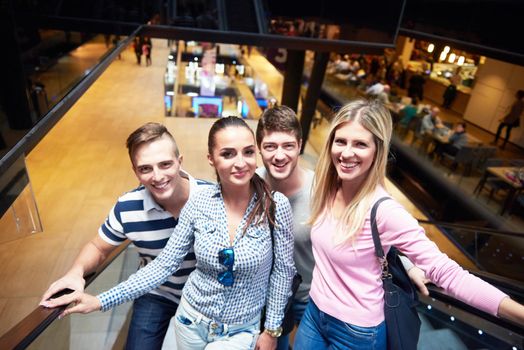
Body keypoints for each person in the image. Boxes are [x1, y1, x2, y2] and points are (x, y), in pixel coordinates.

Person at [42, 117, 296, 350]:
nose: (240, 162)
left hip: (239, 328)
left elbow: (283, 271)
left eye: (248, 152)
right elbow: (162, 264)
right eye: (228, 154)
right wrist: (97, 298)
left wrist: (272, 329)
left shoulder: (274, 205)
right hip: (184, 312)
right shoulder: (197, 203)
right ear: (211, 159)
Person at [293, 99, 524, 349]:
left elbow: (450, 274)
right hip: (314, 313)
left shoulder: (385, 210)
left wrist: (518, 312)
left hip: (356, 332)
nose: (346, 153)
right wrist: (408, 264)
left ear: (377, 151)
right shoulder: (326, 187)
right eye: (341, 141)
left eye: (360, 144)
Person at [255, 106, 430, 350]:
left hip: (313, 296)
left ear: (300, 145)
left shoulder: (323, 187)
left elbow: (371, 220)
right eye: (270, 146)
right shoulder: (251, 186)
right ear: (259, 148)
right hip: (269, 294)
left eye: (288, 146)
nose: (279, 155)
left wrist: (408, 264)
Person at [40, 122, 210, 349]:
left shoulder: (213, 198)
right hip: (156, 294)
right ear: (135, 171)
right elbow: (99, 247)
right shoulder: (128, 207)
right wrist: (76, 272)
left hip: (206, 295)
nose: (157, 176)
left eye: (166, 164)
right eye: (145, 168)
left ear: (180, 161)